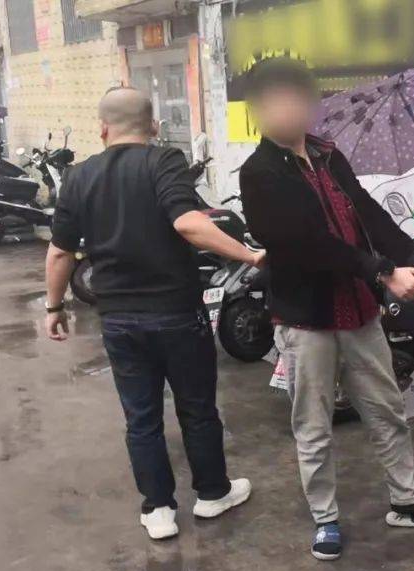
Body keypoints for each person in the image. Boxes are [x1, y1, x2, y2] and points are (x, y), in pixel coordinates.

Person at [238, 58, 414, 561]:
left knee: (387, 410)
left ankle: (406, 502)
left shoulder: (328, 155)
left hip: (359, 311)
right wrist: (383, 272)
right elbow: (306, 244)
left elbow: (368, 214)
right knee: (314, 426)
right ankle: (325, 519)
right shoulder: (258, 174)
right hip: (306, 318)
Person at [43, 87, 264, 540]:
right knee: (197, 409)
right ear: (155, 128)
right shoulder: (164, 161)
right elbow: (188, 222)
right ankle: (212, 494)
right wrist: (250, 255)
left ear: (102, 129)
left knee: (141, 418)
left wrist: (54, 306)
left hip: (119, 320)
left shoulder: (79, 176)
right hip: (177, 314)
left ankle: (159, 509)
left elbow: (60, 252)